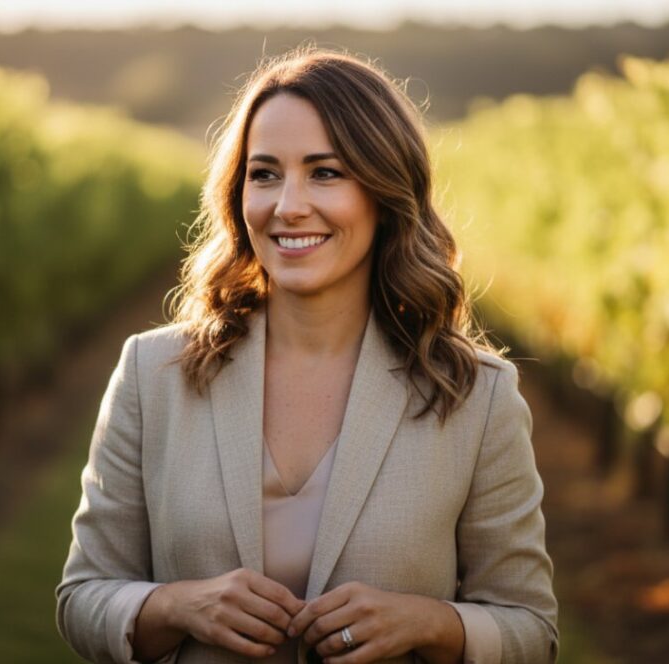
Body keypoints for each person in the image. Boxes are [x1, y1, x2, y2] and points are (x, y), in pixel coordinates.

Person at [56, 46, 558, 664]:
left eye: (325, 172)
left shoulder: (477, 395)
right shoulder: (150, 374)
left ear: (385, 191)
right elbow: (82, 597)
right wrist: (178, 605)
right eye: (264, 173)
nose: (288, 204)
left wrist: (434, 623)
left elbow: (531, 628)